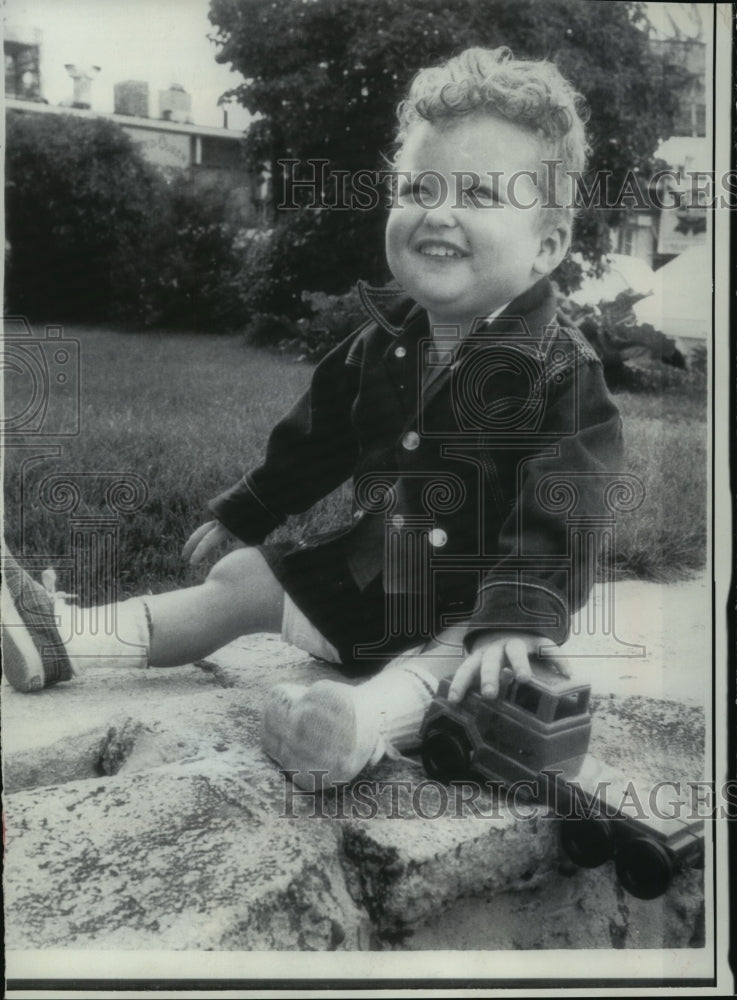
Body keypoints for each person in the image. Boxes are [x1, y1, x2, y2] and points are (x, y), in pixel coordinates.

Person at [2, 46, 622, 790]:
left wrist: (520, 613)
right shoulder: (387, 337)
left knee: (456, 663)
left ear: (545, 247)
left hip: (470, 606)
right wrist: (253, 509)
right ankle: (65, 641)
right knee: (240, 580)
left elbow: (569, 500)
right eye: (419, 185)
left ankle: (353, 730)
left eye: (482, 196)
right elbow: (318, 432)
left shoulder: (561, 371)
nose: (439, 211)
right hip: (363, 584)